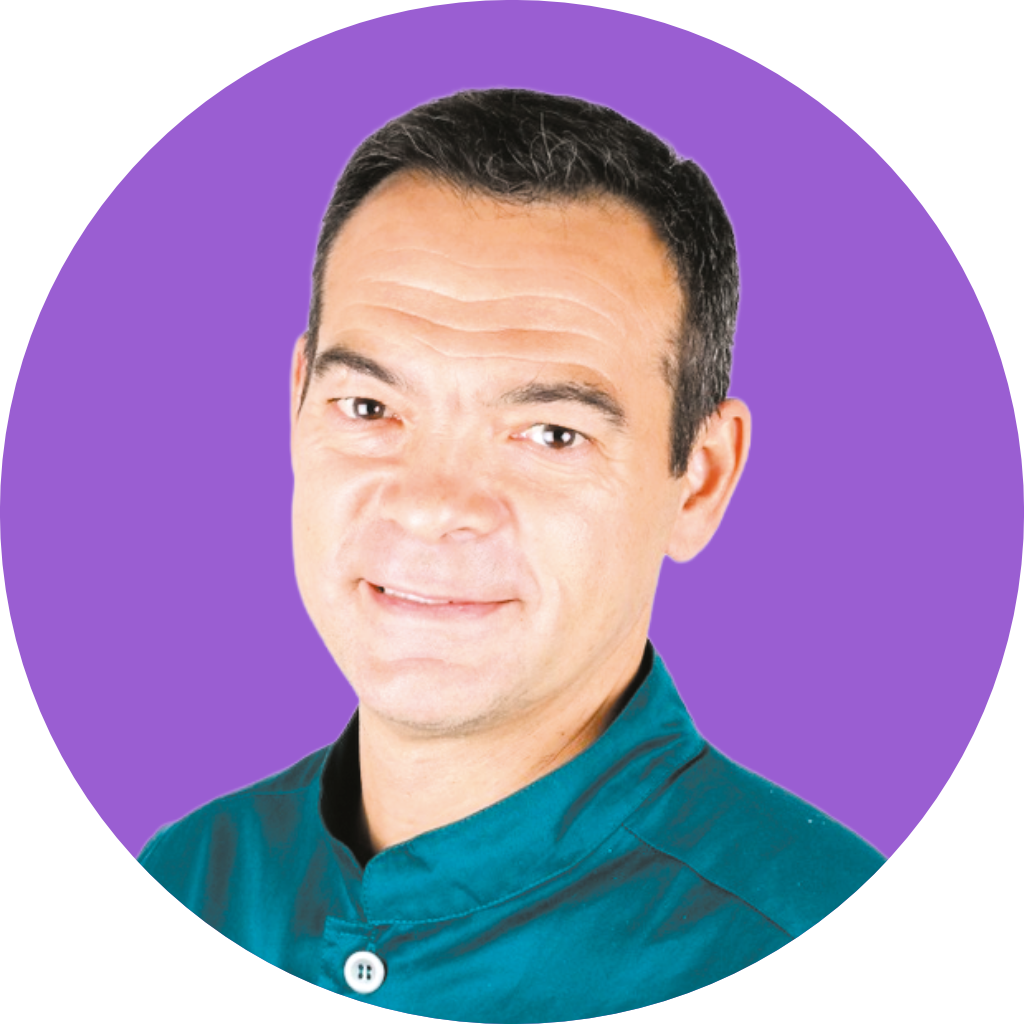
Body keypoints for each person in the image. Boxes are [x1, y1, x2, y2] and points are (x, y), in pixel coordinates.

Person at [138, 88, 885, 1018]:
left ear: (699, 479)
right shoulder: (190, 877)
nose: (430, 507)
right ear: (296, 404)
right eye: (370, 408)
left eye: (552, 433)